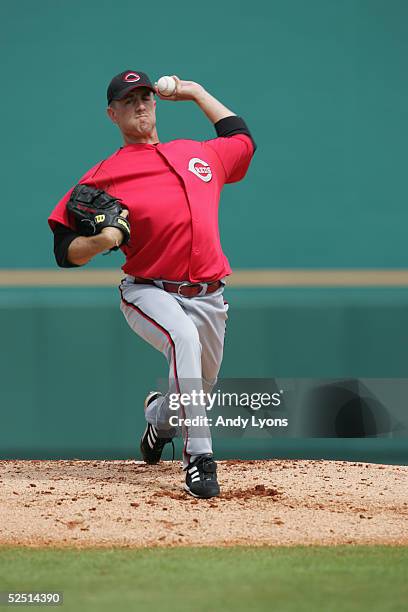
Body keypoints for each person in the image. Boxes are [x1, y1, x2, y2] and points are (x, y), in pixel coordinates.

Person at [48, 70, 256, 499]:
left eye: (145, 96)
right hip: (149, 289)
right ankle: (200, 460)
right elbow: (64, 249)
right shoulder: (102, 176)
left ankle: (157, 420)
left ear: (155, 102)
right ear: (112, 114)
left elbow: (241, 138)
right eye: (128, 100)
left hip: (210, 295)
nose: (140, 104)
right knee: (183, 341)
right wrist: (100, 240)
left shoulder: (198, 154)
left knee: (193, 390)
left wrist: (196, 92)